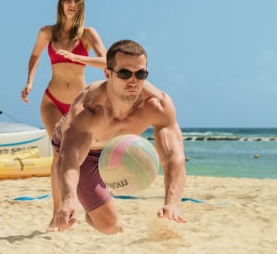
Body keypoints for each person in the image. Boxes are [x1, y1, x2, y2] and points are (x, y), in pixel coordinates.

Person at [50, 39, 187, 234]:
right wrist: (69, 198)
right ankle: (89, 207)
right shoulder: (89, 107)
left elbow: (174, 156)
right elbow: (69, 157)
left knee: (110, 224)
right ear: (108, 73)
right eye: (124, 73)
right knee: (108, 225)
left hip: (116, 148)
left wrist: (172, 203)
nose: (133, 81)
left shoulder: (157, 105)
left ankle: (92, 202)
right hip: (83, 152)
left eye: (141, 74)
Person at [21, 0, 108, 222]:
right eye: (67, 0)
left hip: (79, 106)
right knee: (59, 155)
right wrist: (29, 82)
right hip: (52, 101)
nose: (71, 4)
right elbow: (35, 55)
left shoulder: (88, 34)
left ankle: (90, 206)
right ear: (60, 3)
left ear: (81, 6)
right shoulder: (47, 32)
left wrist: (78, 57)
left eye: (76, 1)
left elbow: (107, 61)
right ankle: (56, 213)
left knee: (85, 156)